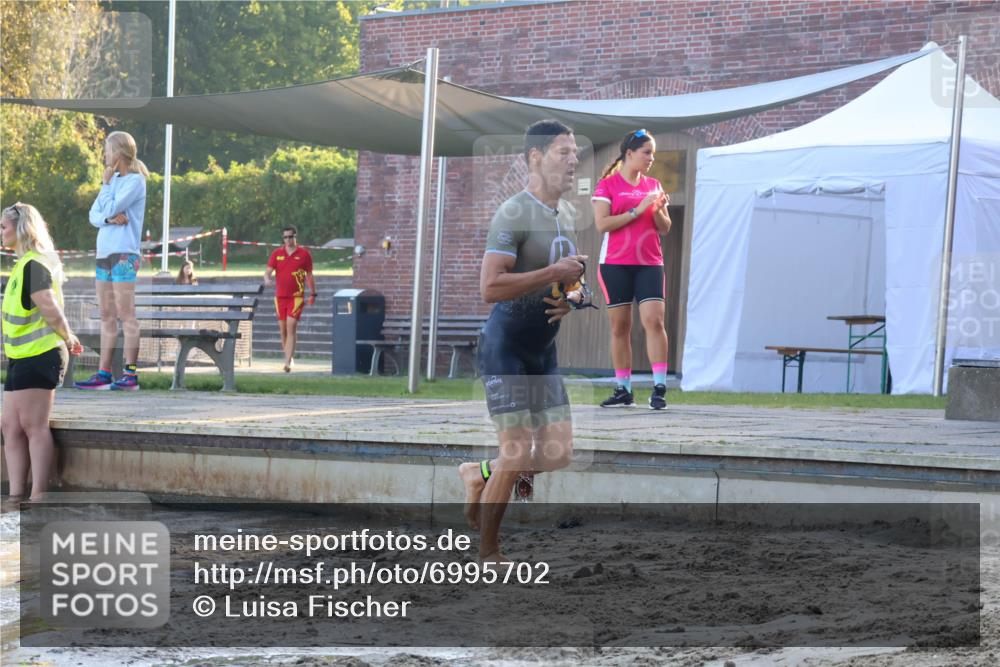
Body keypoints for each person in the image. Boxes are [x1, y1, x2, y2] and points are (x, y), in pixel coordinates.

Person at [458, 120, 587, 562]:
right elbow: (491, 288)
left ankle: (477, 474)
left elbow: (570, 279)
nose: (573, 160)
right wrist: (554, 274)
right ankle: (488, 553)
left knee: (558, 454)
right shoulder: (513, 212)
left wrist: (573, 298)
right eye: (563, 152)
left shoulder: (566, 214)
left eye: (574, 152)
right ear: (536, 157)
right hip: (506, 347)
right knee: (516, 453)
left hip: (542, 352)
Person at [2, 203, 83, 504]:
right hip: (20, 357)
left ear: (21, 228)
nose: (1, 232)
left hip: (40, 355)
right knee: (10, 427)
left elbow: (50, 308)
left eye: (3, 226)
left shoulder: (35, 264)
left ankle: (38, 499)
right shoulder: (22, 265)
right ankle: (14, 497)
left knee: (33, 426)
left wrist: (68, 336)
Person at [591, 129, 672, 410]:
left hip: (649, 262)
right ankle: (623, 389)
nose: (651, 158)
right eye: (646, 152)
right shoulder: (607, 186)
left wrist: (658, 209)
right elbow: (602, 225)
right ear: (629, 153)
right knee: (620, 327)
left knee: (654, 321)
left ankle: (659, 387)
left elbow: (665, 227)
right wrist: (638, 210)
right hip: (615, 263)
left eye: (652, 153)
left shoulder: (654, 184)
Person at [75, 130, 148, 391]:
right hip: (104, 253)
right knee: (107, 314)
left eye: (107, 150)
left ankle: (130, 374)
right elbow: (95, 215)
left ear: (119, 152)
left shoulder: (135, 181)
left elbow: (111, 206)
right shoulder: (112, 180)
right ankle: (103, 373)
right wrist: (107, 218)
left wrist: (106, 193)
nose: (105, 155)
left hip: (124, 254)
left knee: (126, 315)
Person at [263, 225, 316, 373]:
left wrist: (313, 293)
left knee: (291, 326)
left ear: (295, 237)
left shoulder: (304, 254)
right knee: (283, 330)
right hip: (280, 297)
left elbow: (309, 275)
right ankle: (289, 356)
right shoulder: (277, 253)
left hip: (296, 297)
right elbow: (267, 272)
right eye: (285, 237)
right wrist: (267, 279)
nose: (288, 239)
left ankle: (287, 362)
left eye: (290, 237)